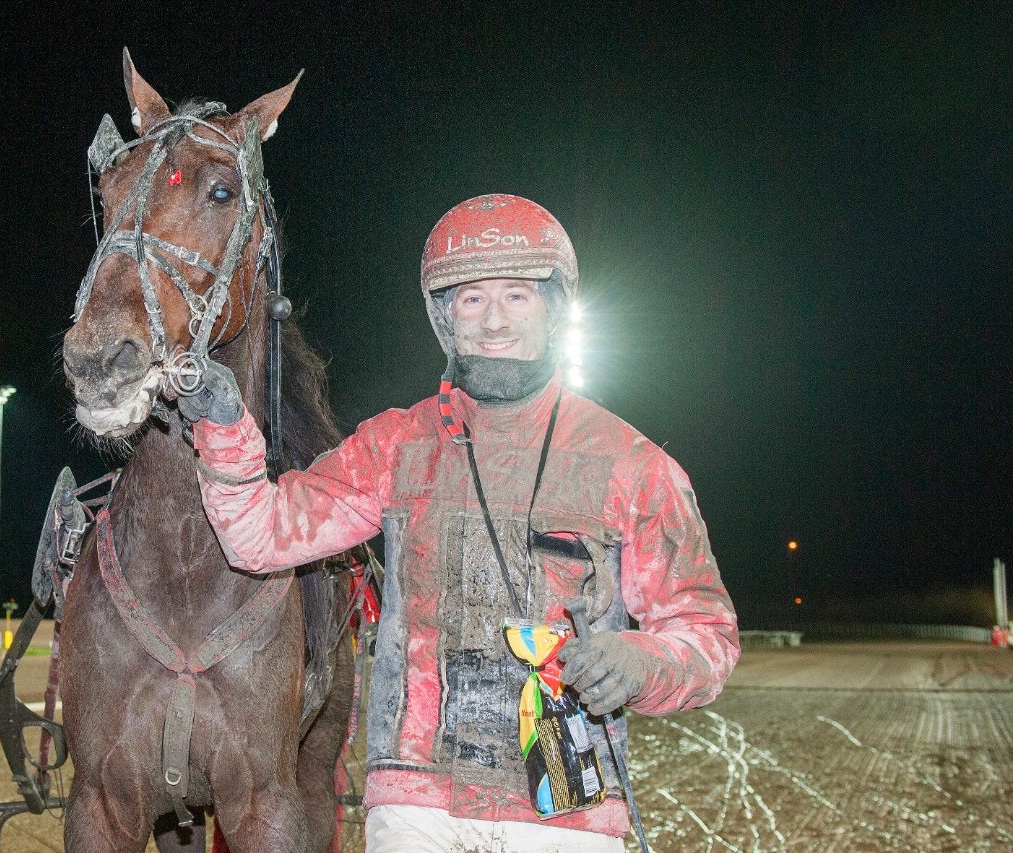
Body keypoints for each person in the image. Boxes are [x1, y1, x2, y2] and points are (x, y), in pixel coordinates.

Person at [180, 194, 739, 852]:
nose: (493, 319)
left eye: (516, 296)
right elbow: (261, 535)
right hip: (418, 809)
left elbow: (707, 636)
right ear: (445, 317)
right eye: (472, 298)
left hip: (567, 814)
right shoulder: (396, 445)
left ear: (554, 308)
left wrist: (638, 661)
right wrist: (223, 427)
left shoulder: (633, 466)